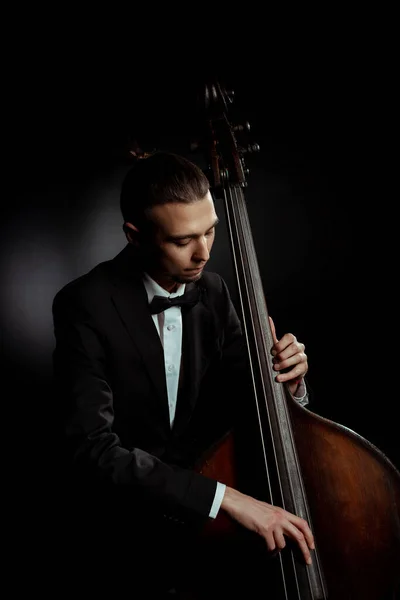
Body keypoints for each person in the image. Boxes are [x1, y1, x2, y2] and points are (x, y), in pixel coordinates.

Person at [52, 151, 313, 598]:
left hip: (200, 543)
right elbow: (94, 450)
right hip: (117, 537)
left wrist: (288, 381)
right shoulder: (84, 305)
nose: (203, 254)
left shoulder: (213, 292)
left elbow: (247, 399)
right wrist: (224, 498)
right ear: (135, 237)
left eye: (210, 231)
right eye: (182, 241)